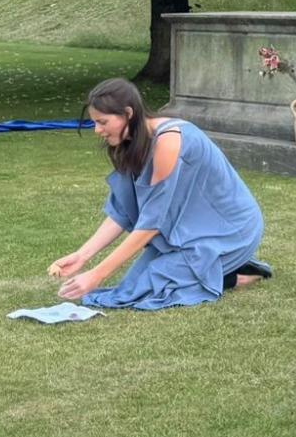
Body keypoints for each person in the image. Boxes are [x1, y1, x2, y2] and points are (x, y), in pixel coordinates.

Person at [49, 78, 273, 310]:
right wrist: (82, 256)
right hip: (194, 232)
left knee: (143, 290)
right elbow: (122, 212)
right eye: (95, 123)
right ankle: (225, 267)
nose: (97, 130)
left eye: (102, 122)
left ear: (128, 113)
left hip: (231, 229)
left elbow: (151, 224)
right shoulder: (131, 144)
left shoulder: (168, 142)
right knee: (135, 284)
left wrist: (97, 275)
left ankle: (235, 275)